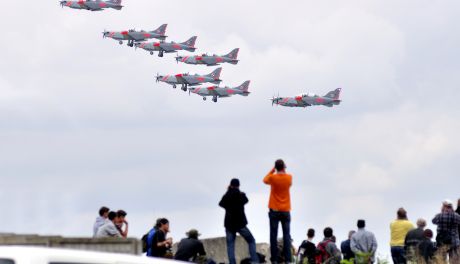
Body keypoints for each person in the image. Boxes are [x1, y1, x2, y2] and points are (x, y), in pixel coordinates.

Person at [219, 178, 259, 264]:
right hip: (240, 223)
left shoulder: (227, 195)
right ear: (238, 185)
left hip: (229, 224)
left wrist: (228, 191)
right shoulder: (240, 194)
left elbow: (221, 203)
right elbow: (246, 200)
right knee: (251, 240)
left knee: (230, 245)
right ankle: (255, 261)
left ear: (230, 185)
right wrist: (240, 193)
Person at [263, 159, 293, 264]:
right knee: (286, 235)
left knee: (273, 235)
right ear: (284, 167)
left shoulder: (272, 178)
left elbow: (264, 180)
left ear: (276, 168)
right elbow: (288, 183)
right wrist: (281, 170)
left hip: (274, 210)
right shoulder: (289, 177)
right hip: (285, 210)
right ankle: (288, 260)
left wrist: (272, 170)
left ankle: (274, 260)